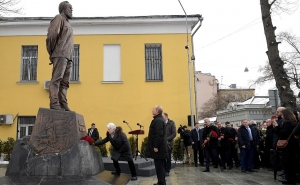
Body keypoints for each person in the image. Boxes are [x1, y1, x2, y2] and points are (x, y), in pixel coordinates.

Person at [46, 1, 74, 111]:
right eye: (69, 8)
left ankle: (63, 103)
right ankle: (54, 103)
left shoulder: (68, 23)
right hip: (60, 54)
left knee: (65, 83)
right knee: (56, 79)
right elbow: (51, 36)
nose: (72, 10)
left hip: (68, 56)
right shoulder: (59, 18)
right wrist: (53, 52)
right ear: (63, 9)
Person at [273, 109, 297, 184]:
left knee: (287, 162)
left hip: (288, 145)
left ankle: (289, 178)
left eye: (283, 115)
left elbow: (283, 133)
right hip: (290, 145)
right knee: (288, 162)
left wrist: (276, 127)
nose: (282, 116)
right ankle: (288, 177)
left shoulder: (288, 123)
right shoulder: (291, 122)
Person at [146, 105, 167, 185]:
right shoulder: (158, 119)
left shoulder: (158, 120)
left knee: (159, 166)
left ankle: (161, 182)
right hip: (160, 148)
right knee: (159, 166)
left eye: (153, 109)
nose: (152, 110)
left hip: (159, 148)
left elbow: (159, 135)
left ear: (157, 111)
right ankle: (161, 181)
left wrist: (156, 146)